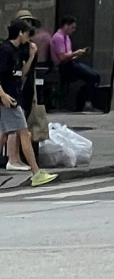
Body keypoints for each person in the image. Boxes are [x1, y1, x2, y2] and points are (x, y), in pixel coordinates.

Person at [0, 17, 53, 186]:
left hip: (13, 96)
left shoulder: (16, 51)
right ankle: (36, 172)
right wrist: (2, 95)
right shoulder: (6, 51)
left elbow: (21, 74)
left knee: (4, 135)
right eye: (27, 34)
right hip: (9, 99)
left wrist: (30, 57)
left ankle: (36, 172)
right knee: (24, 133)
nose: (29, 38)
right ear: (20, 33)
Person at [47, 16, 99, 113]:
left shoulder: (66, 38)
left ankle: (85, 101)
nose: (73, 30)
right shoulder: (58, 37)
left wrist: (78, 54)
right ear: (66, 26)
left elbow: (68, 55)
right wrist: (75, 53)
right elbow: (62, 57)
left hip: (70, 63)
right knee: (92, 76)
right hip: (64, 65)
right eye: (72, 27)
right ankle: (87, 103)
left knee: (94, 76)